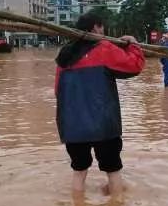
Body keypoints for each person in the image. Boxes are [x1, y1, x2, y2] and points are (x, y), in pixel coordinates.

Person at [55, 12, 145, 194]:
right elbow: (134, 65)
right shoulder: (104, 48)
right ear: (95, 27)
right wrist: (134, 45)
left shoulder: (64, 55)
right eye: (102, 26)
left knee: (79, 171)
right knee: (113, 170)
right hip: (103, 125)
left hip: (72, 127)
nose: (103, 31)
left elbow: (58, 91)